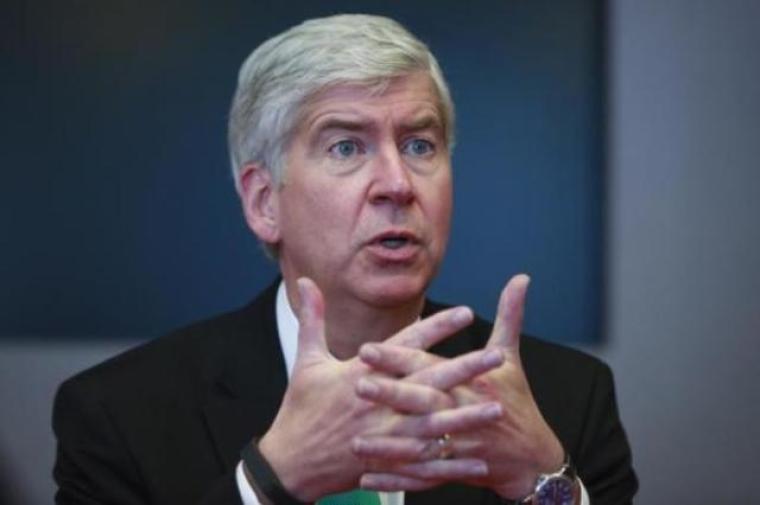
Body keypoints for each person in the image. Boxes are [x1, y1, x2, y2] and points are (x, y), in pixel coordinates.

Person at [53, 14, 637, 505]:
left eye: (419, 144)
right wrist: (267, 482)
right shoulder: (120, 416)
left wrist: (542, 483)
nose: (397, 184)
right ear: (263, 203)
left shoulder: (563, 400)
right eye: (346, 146)